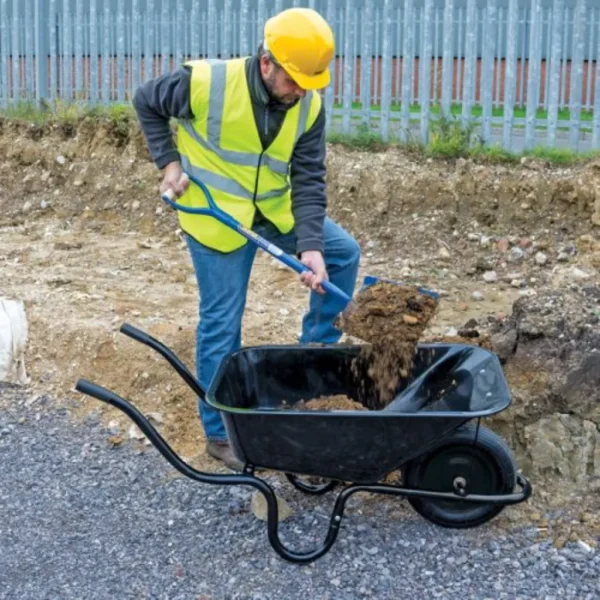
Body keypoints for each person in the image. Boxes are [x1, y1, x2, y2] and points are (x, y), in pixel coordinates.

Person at [132, 7, 361, 470]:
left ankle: (312, 358)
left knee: (342, 253)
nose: (301, 92)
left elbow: (309, 176)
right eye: (293, 81)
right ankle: (220, 433)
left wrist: (311, 246)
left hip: (273, 209)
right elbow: (145, 100)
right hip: (215, 217)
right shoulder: (205, 84)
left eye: (309, 84)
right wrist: (170, 164)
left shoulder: (309, 105)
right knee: (222, 324)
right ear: (266, 64)